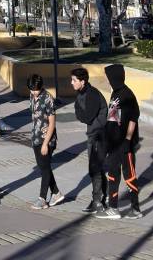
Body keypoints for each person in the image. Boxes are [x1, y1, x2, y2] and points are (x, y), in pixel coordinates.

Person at [96, 63, 142, 220]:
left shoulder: (127, 94)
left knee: (128, 174)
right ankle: (119, 208)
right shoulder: (115, 93)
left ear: (114, 77)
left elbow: (133, 118)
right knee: (113, 173)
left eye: (108, 77)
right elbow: (113, 118)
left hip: (123, 143)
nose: (107, 80)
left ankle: (129, 209)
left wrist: (128, 140)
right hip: (113, 143)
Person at [71, 67, 107, 214]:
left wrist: (79, 112)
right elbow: (79, 112)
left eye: (74, 80)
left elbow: (86, 117)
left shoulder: (92, 94)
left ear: (83, 81)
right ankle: (99, 199)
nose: (71, 83)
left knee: (95, 168)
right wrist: (79, 111)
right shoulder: (81, 94)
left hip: (99, 135)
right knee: (95, 168)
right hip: (93, 134)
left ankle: (98, 201)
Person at [27, 73, 64, 210]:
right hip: (35, 137)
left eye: (36, 89)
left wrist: (45, 144)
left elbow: (52, 123)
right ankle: (56, 193)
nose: (34, 92)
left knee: (45, 168)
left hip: (47, 139)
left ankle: (42, 199)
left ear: (41, 87)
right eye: (31, 89)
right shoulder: (32, 96)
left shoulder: (48, 98)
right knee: (44, 167)